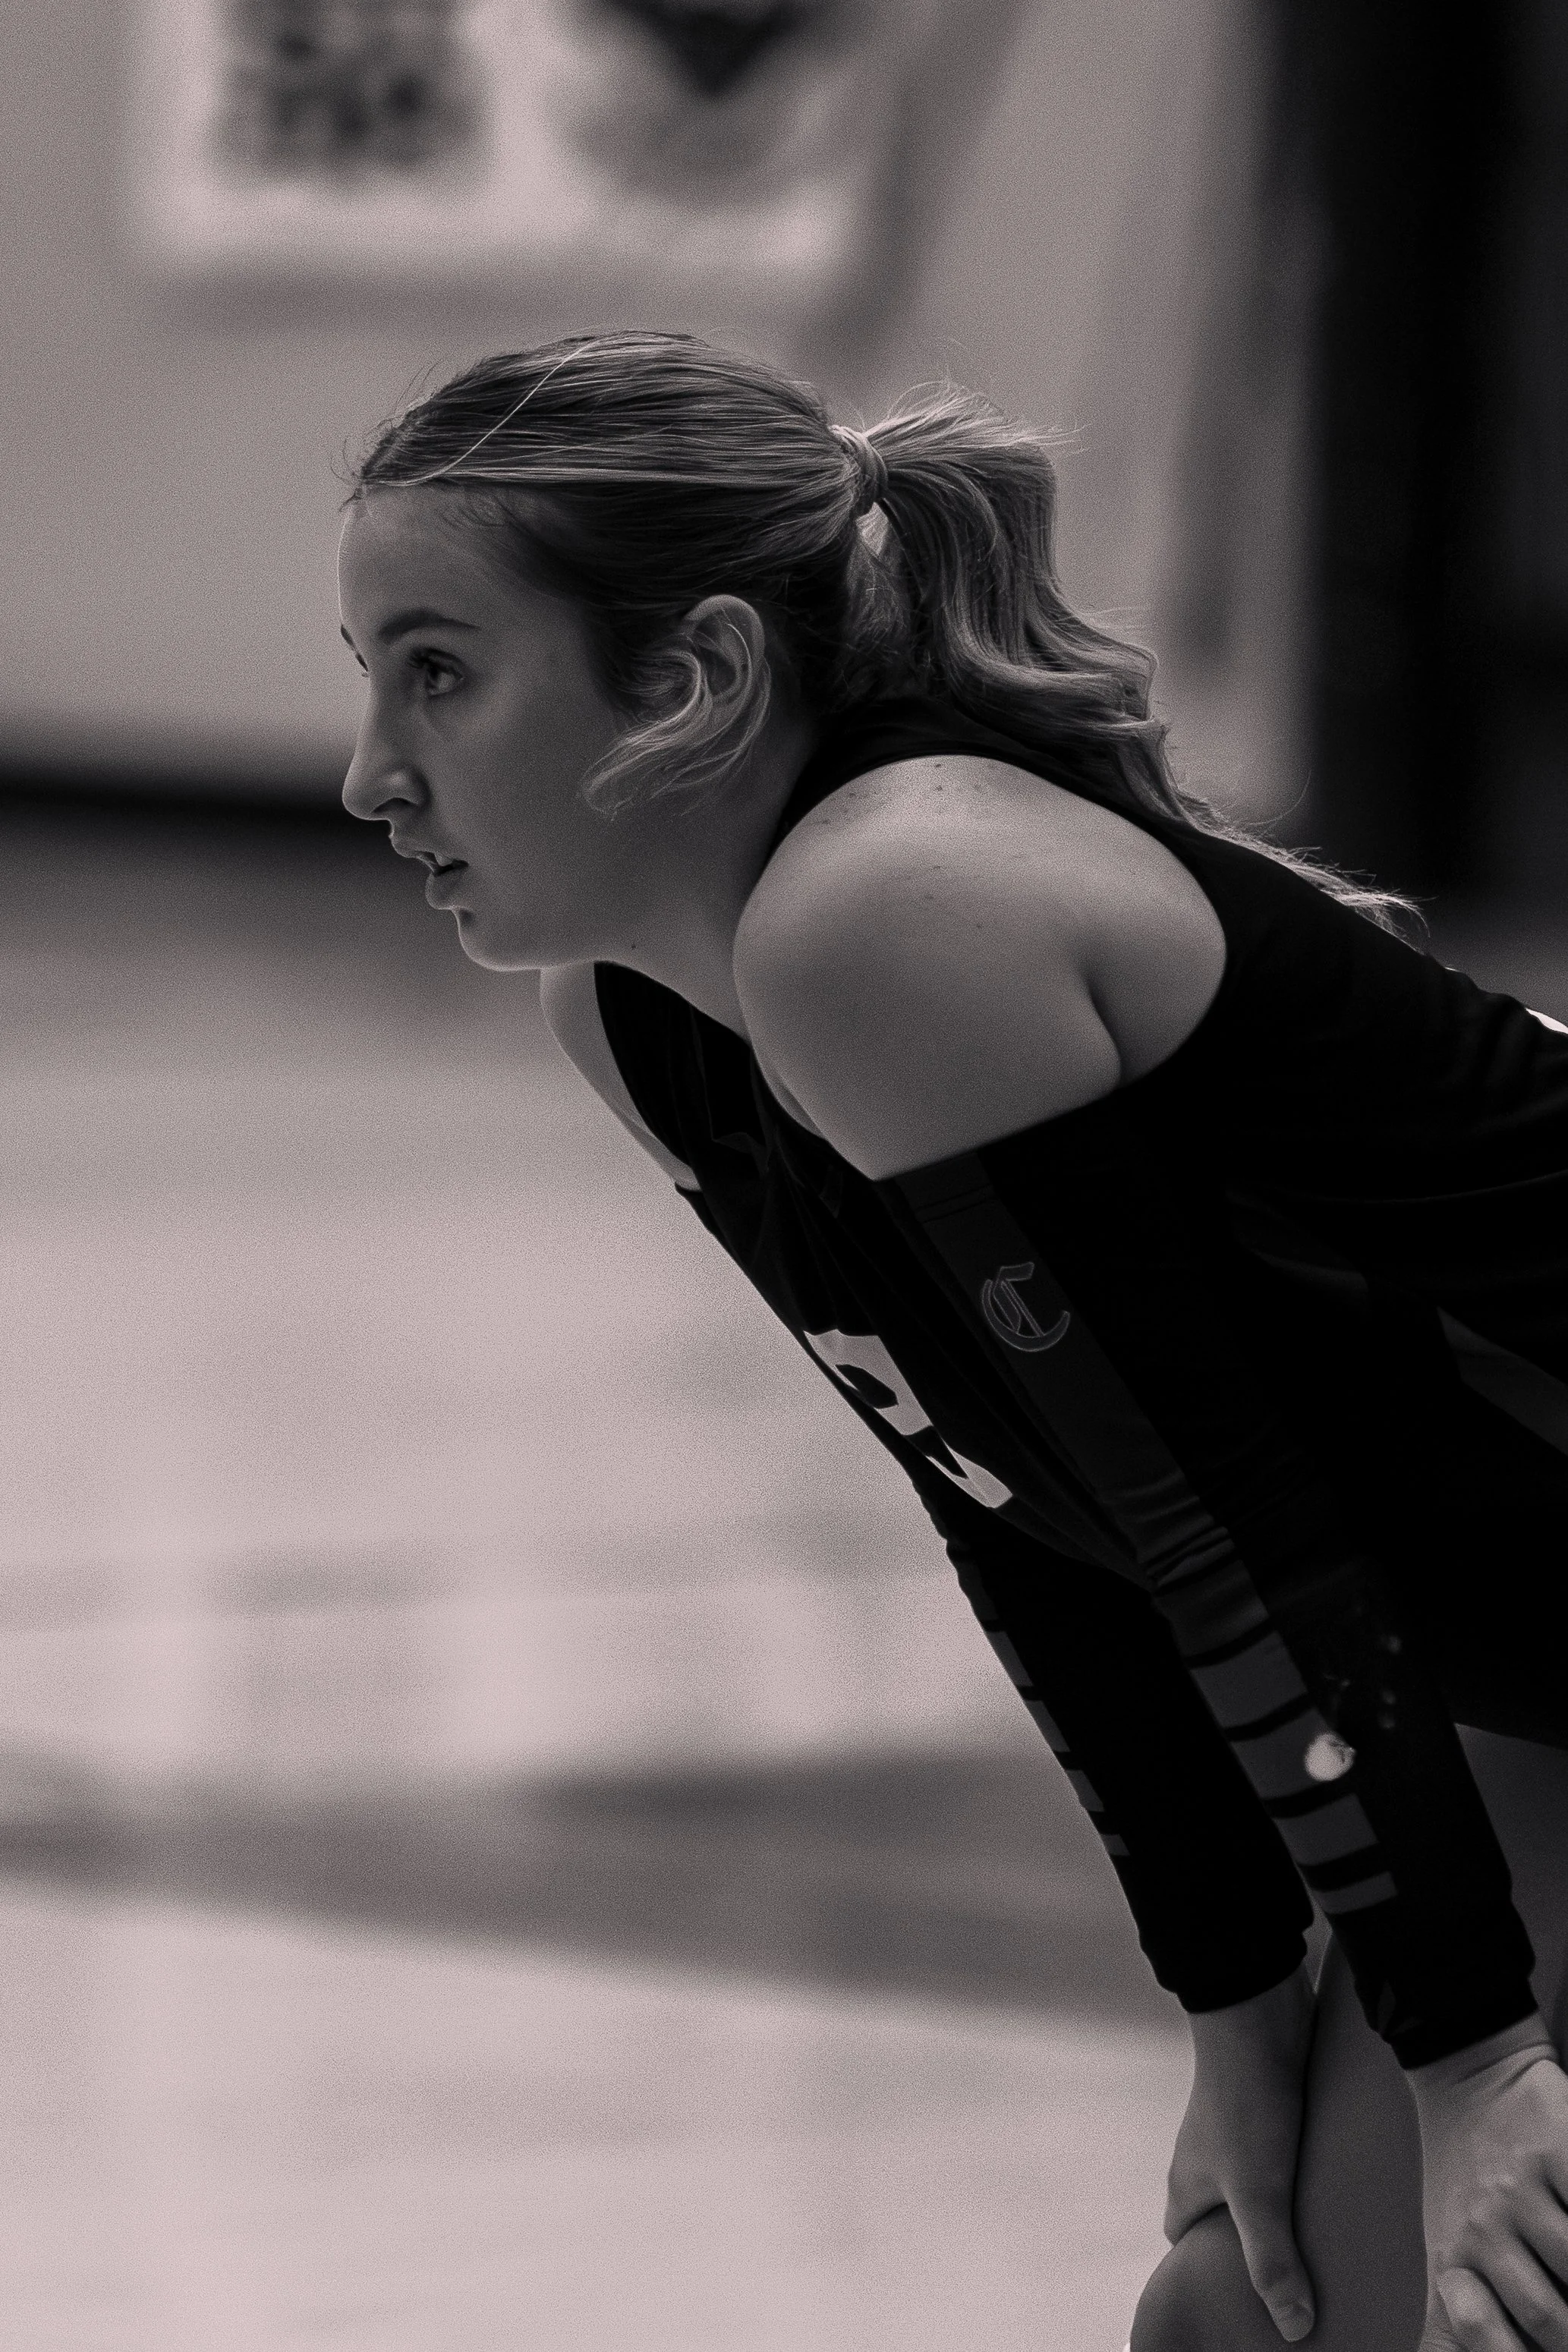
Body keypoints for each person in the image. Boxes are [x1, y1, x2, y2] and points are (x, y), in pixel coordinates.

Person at [335, 329, 1568, 2352]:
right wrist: (1241, 2016)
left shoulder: (893, 905)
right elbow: (1032, 1516)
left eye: (439, 673)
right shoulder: (644, 1014)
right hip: (1523, 1651)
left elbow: (1229, 1536)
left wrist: (1472, 2059)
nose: (373, 770)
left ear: (689, 684)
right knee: (1237, 2328)